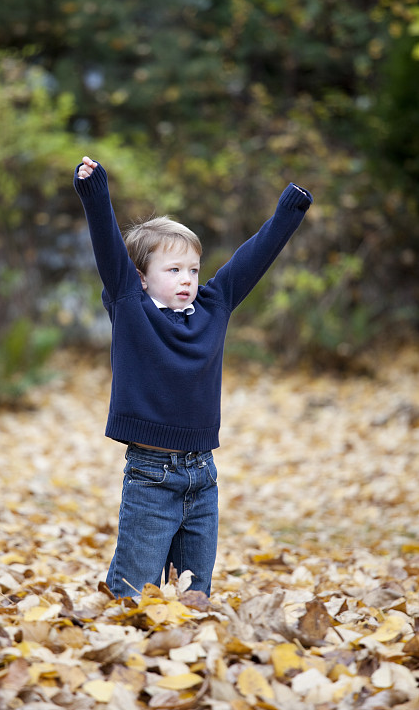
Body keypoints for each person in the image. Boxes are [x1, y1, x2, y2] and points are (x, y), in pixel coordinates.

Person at [74, 155, 312, 597]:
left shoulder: (213, 307)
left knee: (194, 596)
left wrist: (288, 213)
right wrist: (95, 192)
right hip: (151, 478)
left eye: (193, 270)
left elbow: (251, 260)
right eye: (173, 270)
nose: (187, 279)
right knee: (133, 593)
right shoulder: (131, 306)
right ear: (141, 277)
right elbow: (109, 248)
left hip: (203, 476)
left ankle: (187, 661)